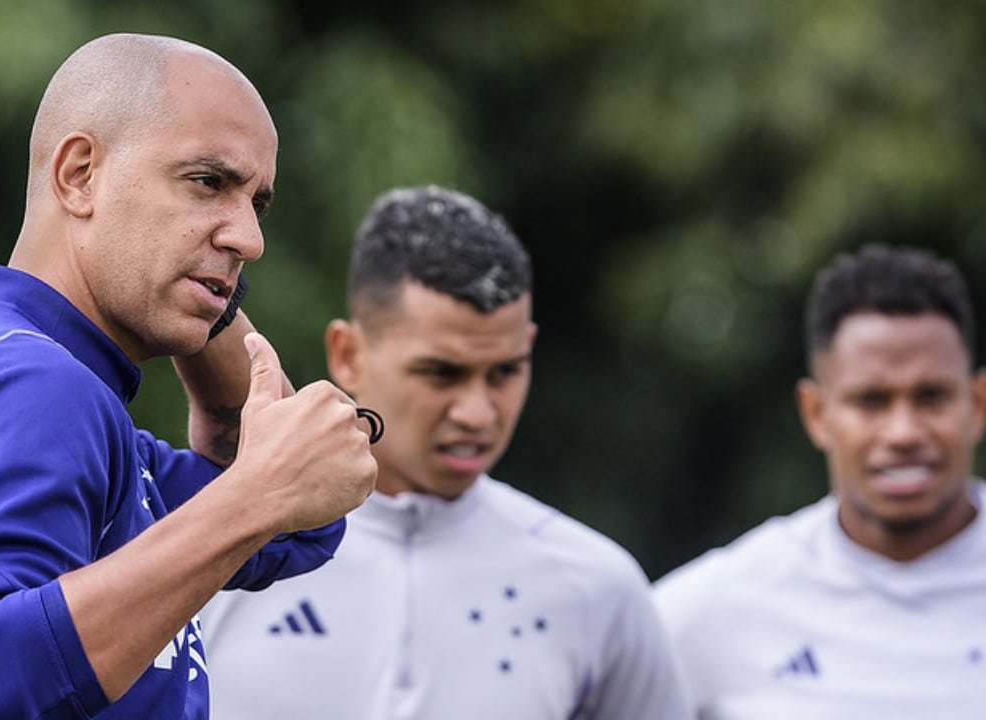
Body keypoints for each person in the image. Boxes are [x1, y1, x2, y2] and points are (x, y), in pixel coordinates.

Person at [0, 33, 377, 719]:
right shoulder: (30, 385)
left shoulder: (67, 398)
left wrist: (210, 297)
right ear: (79, 174)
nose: (250, 240)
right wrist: (253, 500)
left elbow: (302, 524)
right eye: (208, 182)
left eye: (255, 204)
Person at [200, 185, 691, 719]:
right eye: (441, 372)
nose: (477, 413)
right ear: (348, 354)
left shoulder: (599, 588)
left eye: (505, 371)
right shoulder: (213, 545)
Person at [654, 243, 986, 718]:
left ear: (976, 404)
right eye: (871, 401)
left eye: (932, 397)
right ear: (817, 413)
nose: (905, 432)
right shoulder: (717, 607)